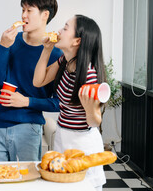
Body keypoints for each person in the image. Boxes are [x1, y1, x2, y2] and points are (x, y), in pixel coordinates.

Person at [0, 0, 62, 162]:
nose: (23, 16)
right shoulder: (12, 41)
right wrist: (3, 47)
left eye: (29, 10)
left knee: (26, 184)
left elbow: (59, 103)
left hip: (30, 127)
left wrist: (26, 101)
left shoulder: (56, 54)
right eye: (22, 10)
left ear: (45, 15)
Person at [33, 15, 106, 190]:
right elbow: (38, 81)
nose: (59, 31)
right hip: (62, 137)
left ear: (77, 41)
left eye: (65, 28)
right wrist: (46, 49)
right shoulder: (65, 62)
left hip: (83, 144)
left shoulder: (89, 74)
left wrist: (90, 108)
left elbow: (94, 121)